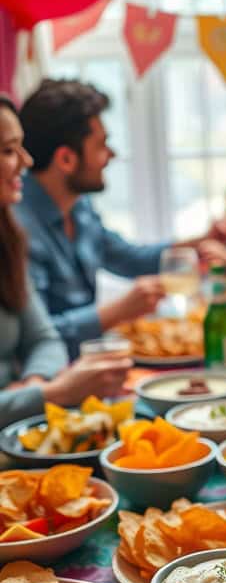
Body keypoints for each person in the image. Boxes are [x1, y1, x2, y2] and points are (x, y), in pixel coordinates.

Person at [0, 96, 131, 429]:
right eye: (8, 151)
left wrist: (33, 386)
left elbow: (44, 338)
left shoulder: (7, 238)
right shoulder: (25, 222)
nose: (26, 162)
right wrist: (49, 394)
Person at [16, 78, 172, 359]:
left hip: (92, 364)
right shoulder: (17, 229)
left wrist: (198, 246)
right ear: (66, 159)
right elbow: (37, 340)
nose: (111, 155)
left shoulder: (79, 205)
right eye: (101, 145)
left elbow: (128, 258)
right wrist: (116, 312)